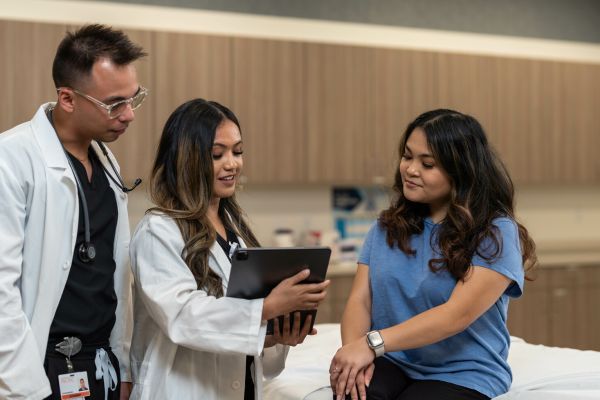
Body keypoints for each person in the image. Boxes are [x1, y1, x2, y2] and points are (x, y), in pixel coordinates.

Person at [128, 98, 330, 400]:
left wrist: (274, 336)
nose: (232, 163)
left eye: (238, 151)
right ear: (187, 158)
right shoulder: (159, 230)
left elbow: (238, 331)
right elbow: (182, 316)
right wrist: (267, 308)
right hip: (181, 389)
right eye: (217, 154)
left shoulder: (234, 229)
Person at [329, 109, 537, 400]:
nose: (411, 170)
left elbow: (455, 315)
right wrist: (354, 353)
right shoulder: (386, 226)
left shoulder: (495, 233)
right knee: (355, 395)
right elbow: (361, 300)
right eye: (407, 156)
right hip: (392, 358)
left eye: (428, 164)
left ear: (461, 171)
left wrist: (372, 343)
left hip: (464, 371)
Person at [0, 24, 147, 400]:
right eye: (115, 104)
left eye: (134, 99)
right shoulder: (13, 158)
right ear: (67, 98)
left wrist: (123, 363)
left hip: (101, 364)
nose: (129, 115)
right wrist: (26, 387)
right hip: (39, 367)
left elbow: (114, 279)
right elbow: (2, 293)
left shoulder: (105, 158)